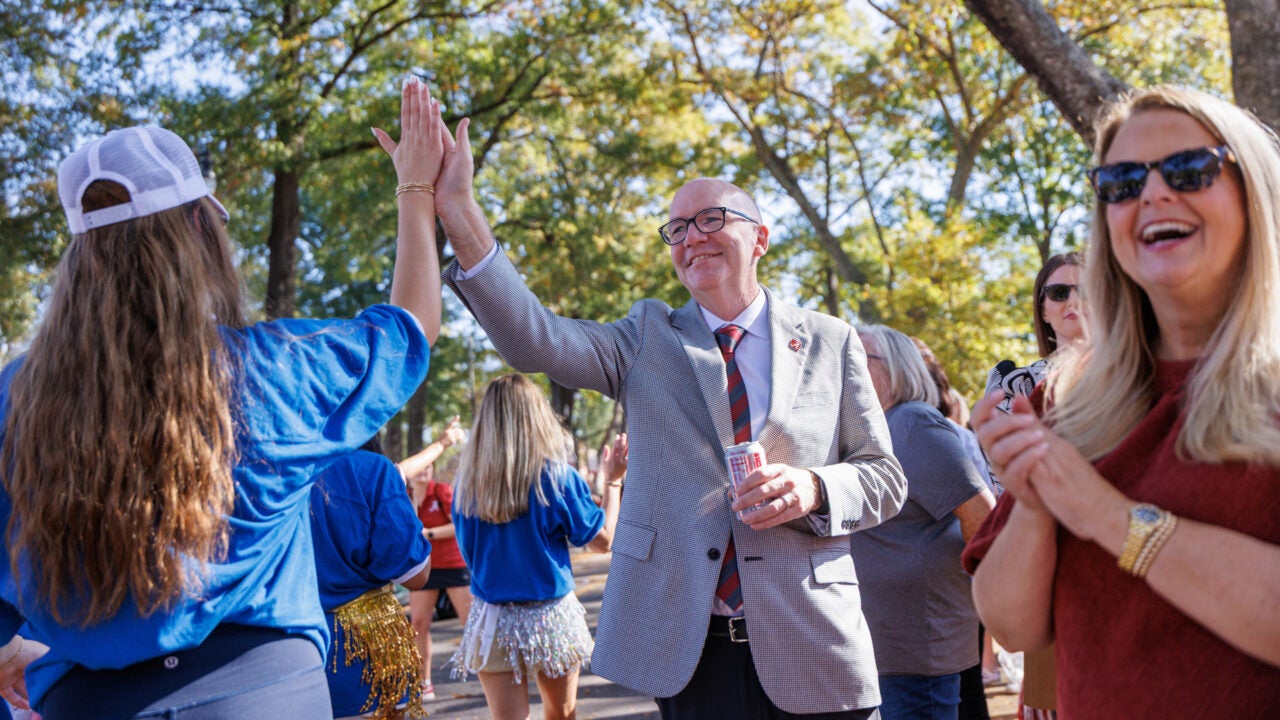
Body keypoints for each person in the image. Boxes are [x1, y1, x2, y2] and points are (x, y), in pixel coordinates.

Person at [433, 102, 906, 717]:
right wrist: (457, 209)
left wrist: (814, 488)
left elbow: (884, 477)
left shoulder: (832, 339)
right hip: (692, 654)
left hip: (814, 642)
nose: (691, 237)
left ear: (760, 237)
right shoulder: (644, 337)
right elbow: (535, 340)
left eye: (711, 218)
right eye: (677, 229)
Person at [0, 78, 445, 718]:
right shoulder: (267, 370)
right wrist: (416, 193)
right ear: (200, 231)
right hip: (266, 694)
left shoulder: (17, 400)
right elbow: (410, 329)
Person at [967, 85, 1280, 717]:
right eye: (1122, 181)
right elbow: (1013, 627)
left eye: (1191, 170)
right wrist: (1033, 502)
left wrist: (1105, 515)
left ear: (1257, 195)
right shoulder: (1069, 398)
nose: (1154, 194)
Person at [447, 374, 623, 720]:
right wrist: (613, 481)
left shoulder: (466, 486)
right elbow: (604, 541)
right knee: (561, 714)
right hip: (550, 616)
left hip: (491, 617)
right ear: (536, 417)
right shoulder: (556, 478)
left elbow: (469, 553)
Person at [964, 251, 1087, 720]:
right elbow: (1003, 491)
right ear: (1044, 308)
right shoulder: (1018, 386)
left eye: (1087, 288)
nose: (1073, 299)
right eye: (1059, 291)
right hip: (1054, 567)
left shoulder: (1147, 371)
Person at [851, 326, 995, 720]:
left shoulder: (914, 425)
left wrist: (988, 604)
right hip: (887, 646)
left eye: (860, 357)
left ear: (897, 368)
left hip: (920, 646)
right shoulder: (875, 429)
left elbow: (984, 521)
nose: (846, 366)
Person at [309, 443, 433, 720]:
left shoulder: (271, 467)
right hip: (364, 643)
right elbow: (415, 575)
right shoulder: (371, 468)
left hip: (287, 646)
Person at [399, 417, 472, 701]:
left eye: (429, 466)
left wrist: (426, 533)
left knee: (471, 623)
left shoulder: (441, 492)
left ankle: (492, 672)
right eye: (421, 466)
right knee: (418, 623)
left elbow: (458, 525)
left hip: (453, 563)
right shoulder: (401, 494)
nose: (424, 471)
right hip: (424, 569)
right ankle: (424, 682)